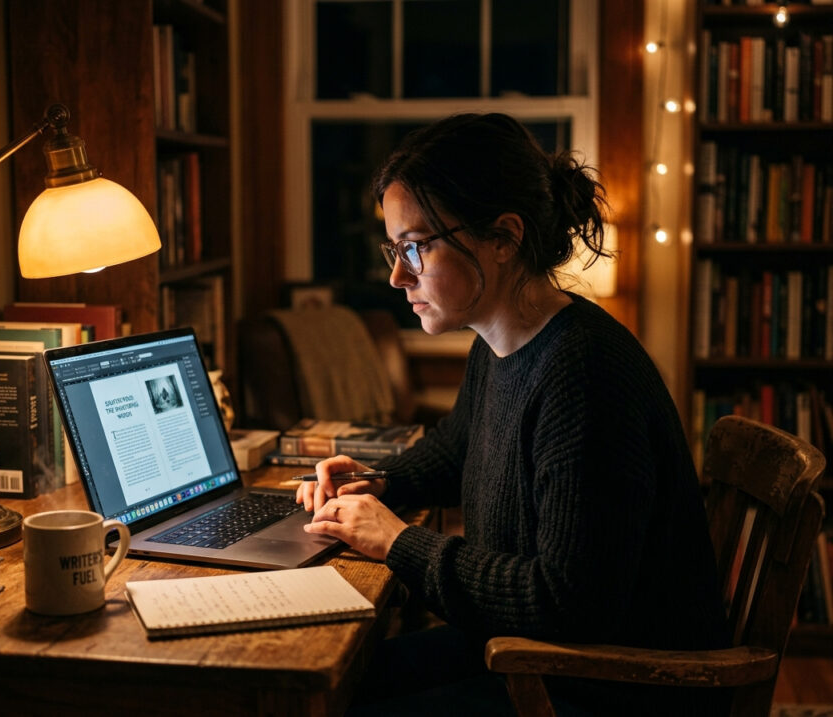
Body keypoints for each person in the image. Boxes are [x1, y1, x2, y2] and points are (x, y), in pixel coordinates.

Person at [295, 113, 728, 716]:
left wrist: (398, 541)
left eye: (416, 248)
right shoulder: (502, 342)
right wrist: (380, 481)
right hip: (532, 654)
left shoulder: (583, 374)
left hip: (608, 684)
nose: (397, 275)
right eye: (393, 249)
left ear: (502, 237)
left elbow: (570, 602)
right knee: (324, 686)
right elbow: (458, 446)